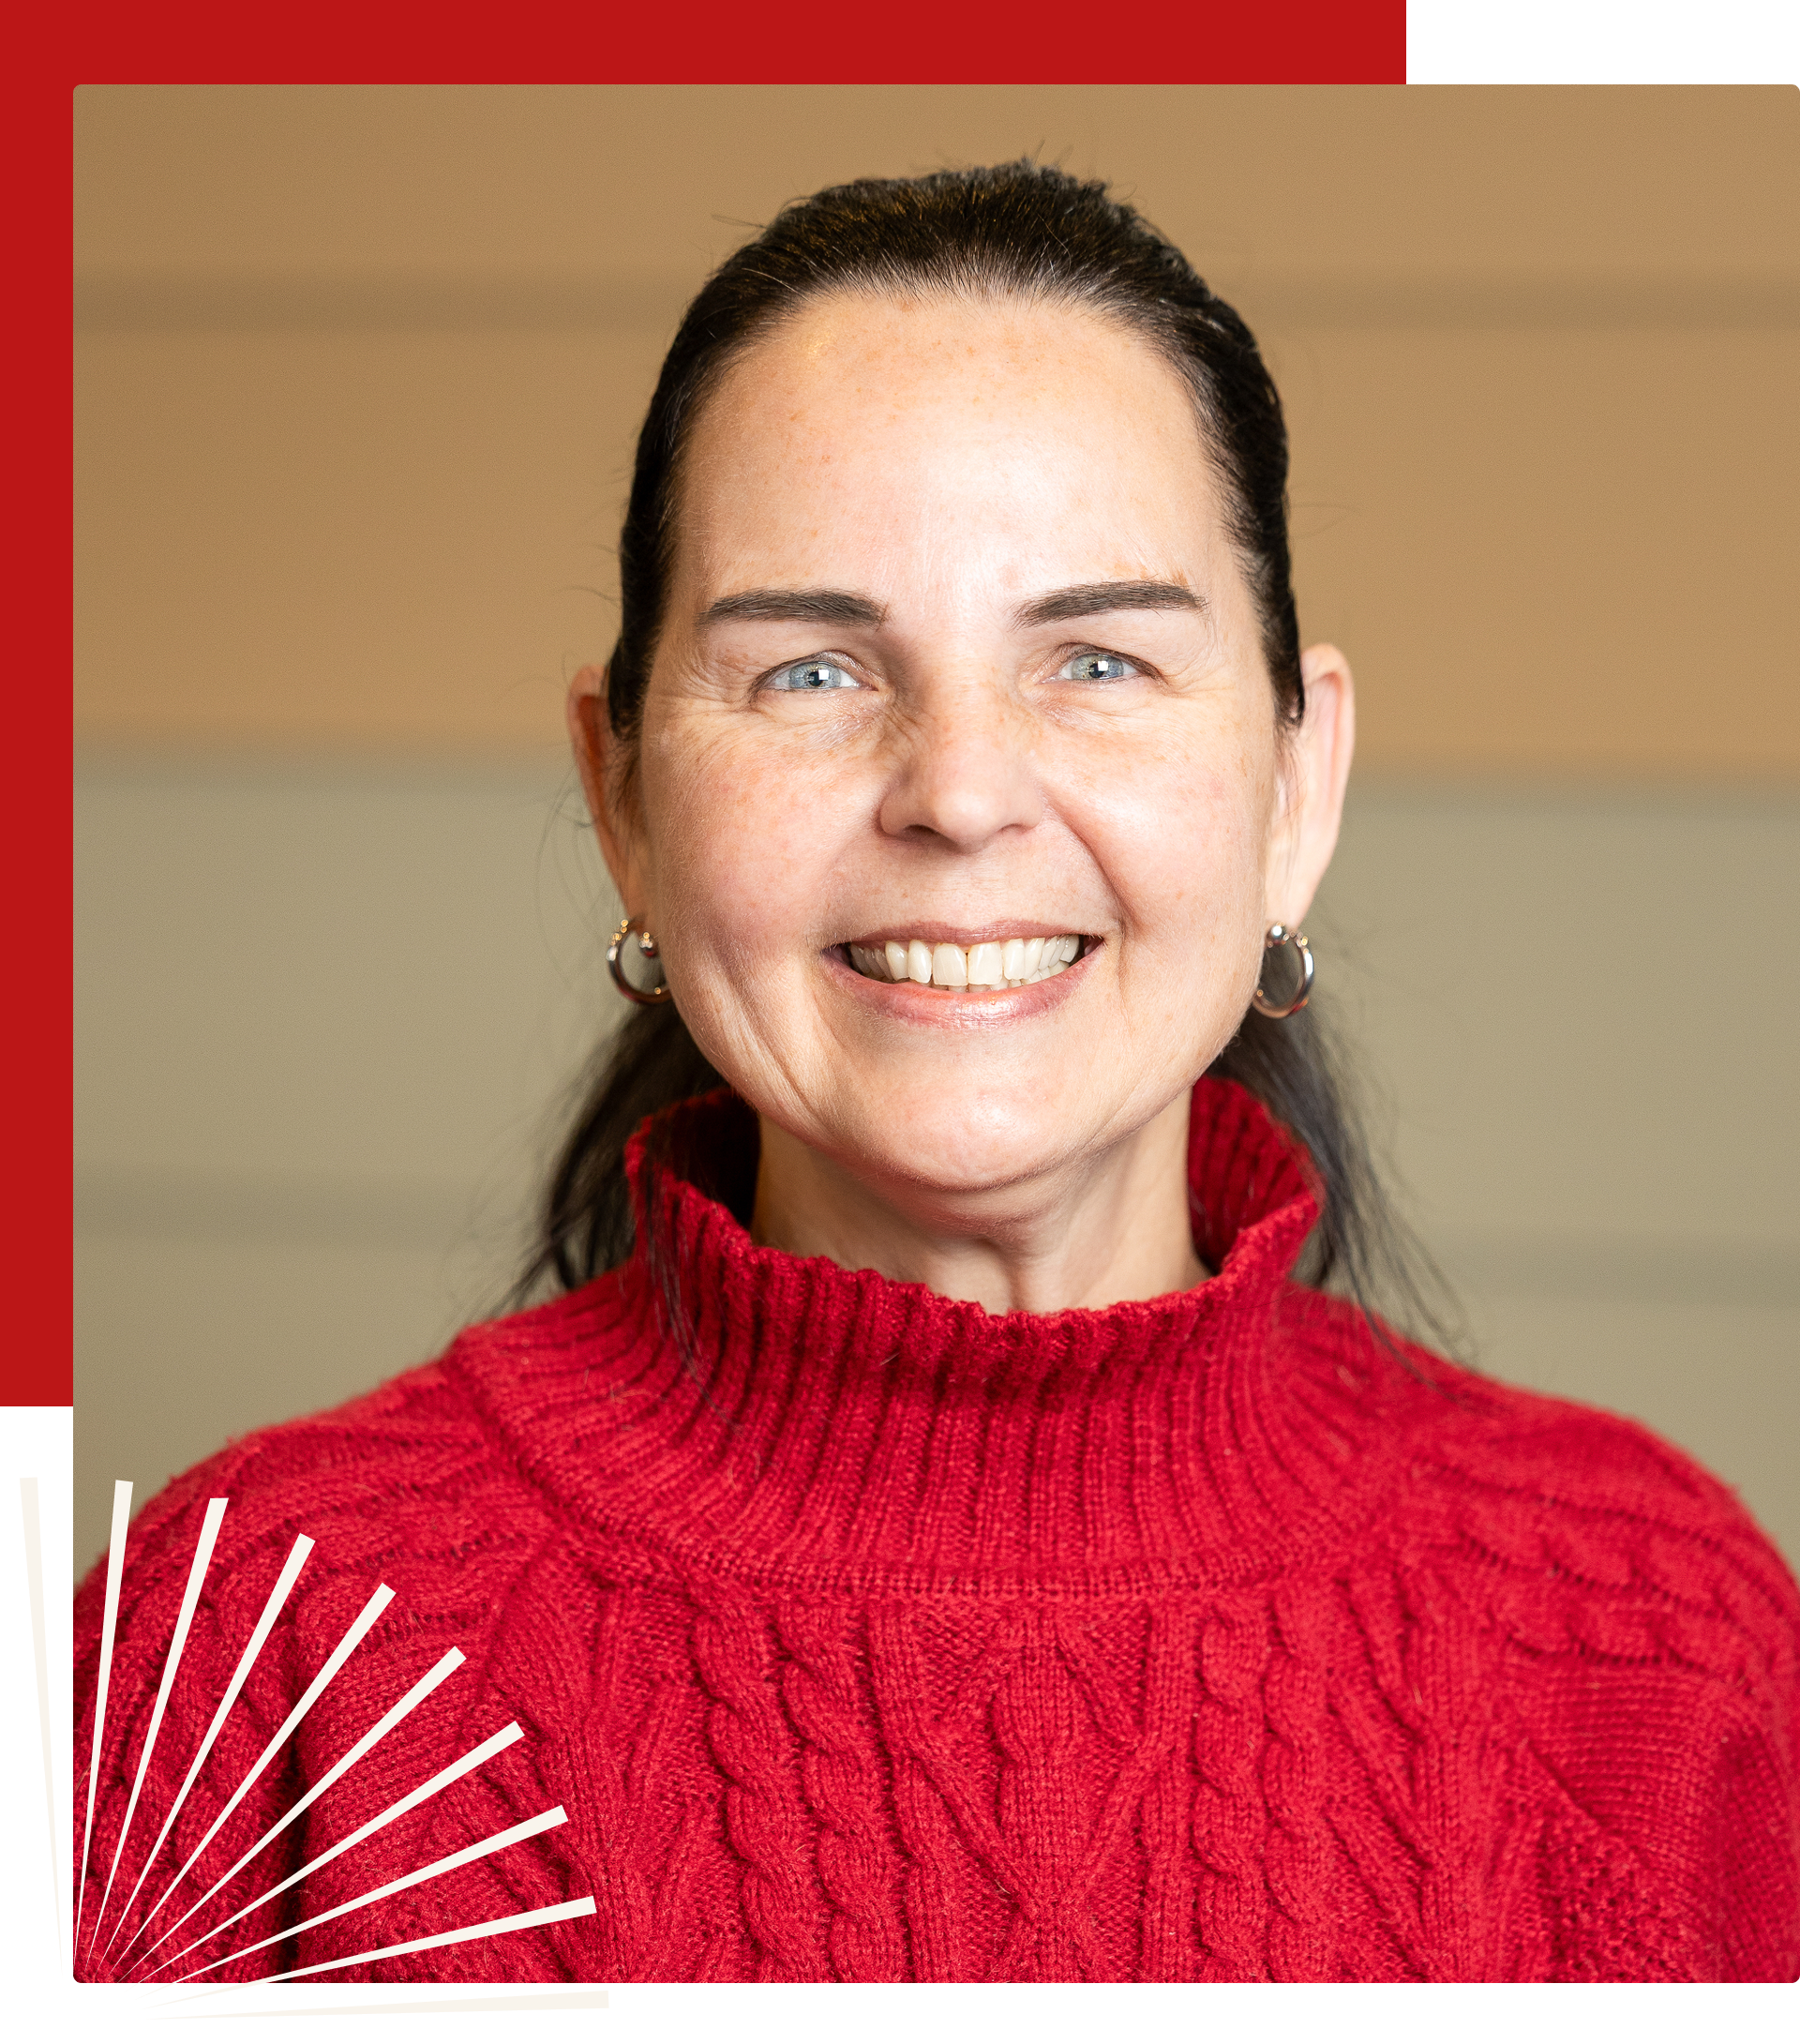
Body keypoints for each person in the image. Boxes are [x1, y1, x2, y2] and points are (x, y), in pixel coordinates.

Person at [75, 162, 1799, 1987]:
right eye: (812, 669)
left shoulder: (1662, 1645)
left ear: (1299, 788)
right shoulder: (248, 1657)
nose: (960, 794)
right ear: (625, 799)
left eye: (1101, 659)